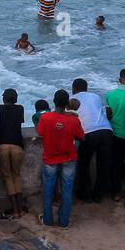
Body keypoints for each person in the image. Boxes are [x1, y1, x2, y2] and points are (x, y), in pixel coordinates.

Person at [37, 90, 84, 227]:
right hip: (68, 158)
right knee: (67, 190)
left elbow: (40, 132)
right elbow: (82, 136)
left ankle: (48, 220)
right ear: (67, 103)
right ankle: (64, 222)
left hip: (50, 158)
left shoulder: (45, 118)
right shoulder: (74, 120)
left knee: (48, 190)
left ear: (54, 101)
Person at [71, 78, 113, 203]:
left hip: (89, 133)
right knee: (103, 165)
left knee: (84, 164)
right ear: (87, 88)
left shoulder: (71, 99)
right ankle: (98, 195)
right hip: (106, 130)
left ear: (73, 89)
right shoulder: (95, 96)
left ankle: (86, 194)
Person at [0, 88, 27, 218]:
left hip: (2, 145)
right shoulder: (20, 109)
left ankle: (14, 209)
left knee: (8, 177)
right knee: (16, 175)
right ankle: (20, 207)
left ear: (3, 99)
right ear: (16, 99)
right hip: (17, 145)